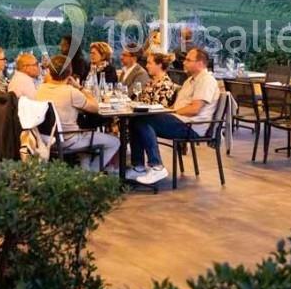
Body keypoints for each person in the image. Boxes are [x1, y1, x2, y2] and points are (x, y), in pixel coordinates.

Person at [127, 46, 220, 185]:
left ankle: (156, 166)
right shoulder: (190, 80)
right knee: (136, 120)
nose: (184, 62)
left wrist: (170, 112)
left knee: (142, 120)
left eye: (188, 60)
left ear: (200, 63)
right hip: (180, 121)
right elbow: (179, 106)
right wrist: (168, 110)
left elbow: (194, 109)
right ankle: (139, 166)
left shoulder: (206, 80)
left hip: (191, 127)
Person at [35, 54, 120, 172]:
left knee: (86, 131)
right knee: (115, 142)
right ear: (69, 72)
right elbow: (95, 107)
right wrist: (79, 87)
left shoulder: (40, 89)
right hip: (69, 139)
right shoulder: (71, 92)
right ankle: (90, 174)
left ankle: (85, 167)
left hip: (46, 139)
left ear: (50, 71)